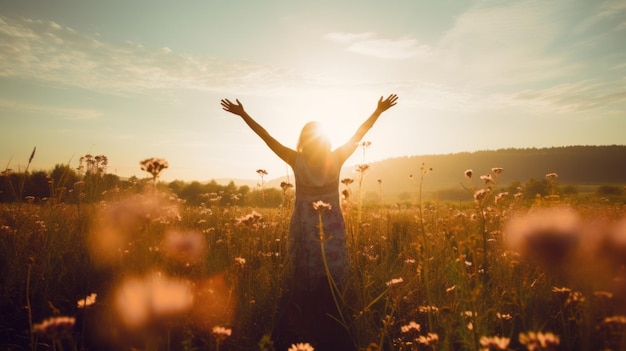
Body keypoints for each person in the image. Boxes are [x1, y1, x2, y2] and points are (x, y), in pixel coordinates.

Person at [220, 94, 398, 350]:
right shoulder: (336, 157)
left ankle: (306, 316)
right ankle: (335, 315)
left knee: (304, 274)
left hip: (304, 226)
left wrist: (244, 114)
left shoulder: (296, 160)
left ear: (303, 141)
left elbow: (267, 138)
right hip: (332, 226)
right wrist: (378, 111)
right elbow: (359, 133)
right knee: (334, 270)